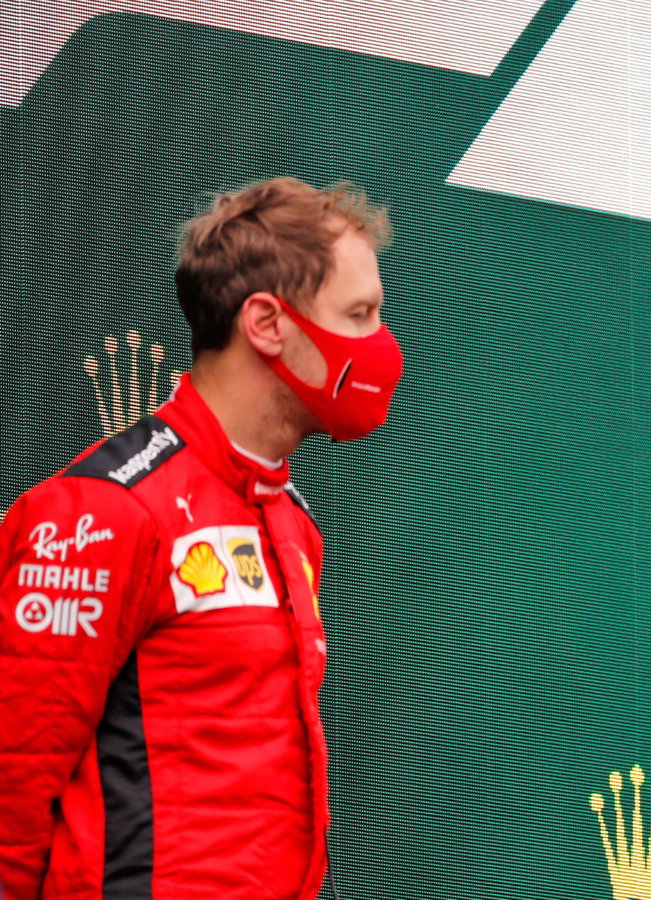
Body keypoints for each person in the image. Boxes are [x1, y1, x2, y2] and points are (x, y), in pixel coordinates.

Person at [0, 177, 403, 899]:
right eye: (359, 315)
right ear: (267, 323)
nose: (382, 345)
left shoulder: (288, 517)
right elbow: (13, 777)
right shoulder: (105, 511)